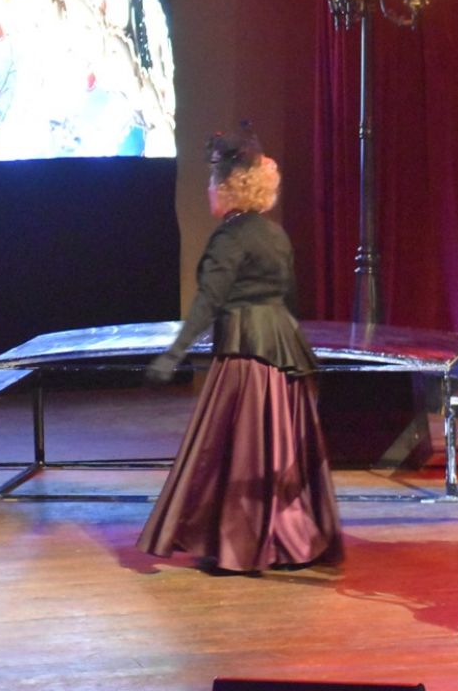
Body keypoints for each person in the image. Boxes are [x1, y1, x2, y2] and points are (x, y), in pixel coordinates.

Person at [138, 127, 343, 574]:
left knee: (244, 452)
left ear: (229, 188)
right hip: (283, 354)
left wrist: (174, 353)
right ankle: (288, 541)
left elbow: (207, 301)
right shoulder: (275, 234)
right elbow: (288, 298)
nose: (209, 191)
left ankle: (244, 545)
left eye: (213, 183)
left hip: (247, 356)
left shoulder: (230, 237)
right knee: (275, 451)